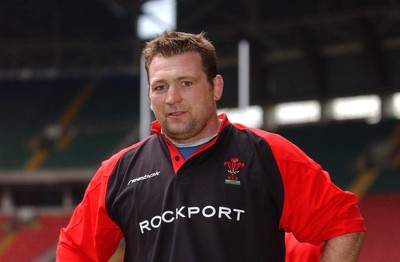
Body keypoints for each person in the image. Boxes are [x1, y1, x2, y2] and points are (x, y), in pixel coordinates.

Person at [57, 31, 366, 261]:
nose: (172, 98)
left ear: (215, 87)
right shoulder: (118, 172)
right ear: (150, 96)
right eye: (160, 87)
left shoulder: (267, 154)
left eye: (186, 83)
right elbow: (75, 250)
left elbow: (343, 224)